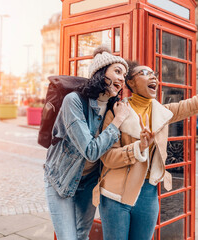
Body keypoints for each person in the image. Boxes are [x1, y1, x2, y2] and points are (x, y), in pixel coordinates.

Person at [94, 62, 198, 240]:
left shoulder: (163, 112)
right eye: (145, 73)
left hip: (148, 194)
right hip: (116, 195)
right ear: (131, 82)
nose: (154, 77)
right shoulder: (116, 113)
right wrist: (139, 147)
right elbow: (108, 158)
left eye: (155, 74)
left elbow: (196, 103)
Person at [44, 47, 130, 240]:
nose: (122, 78)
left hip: (90, 181)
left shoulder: (112, 107)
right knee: (68, 237)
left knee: (82, 235)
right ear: (101, 73)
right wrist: (118, 121)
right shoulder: (73, 101)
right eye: (117, 71)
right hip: (62, 178)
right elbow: (91, 151)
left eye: (124, 75)